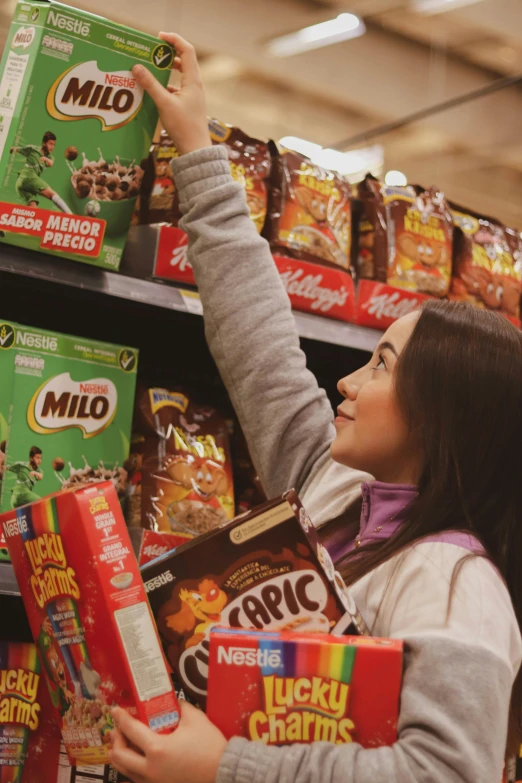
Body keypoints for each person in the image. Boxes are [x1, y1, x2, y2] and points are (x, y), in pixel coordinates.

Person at [109, 33, 522, 783]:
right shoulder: (330, 490)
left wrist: (222, 765)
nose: (347, 383)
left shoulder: (459, 585)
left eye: (381, 364)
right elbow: (259, 345)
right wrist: (197, 147)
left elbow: (446, 774)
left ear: (441, 415)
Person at [10, 131, 72, 214]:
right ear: (44, 143)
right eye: (50, 144)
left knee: (33, 211)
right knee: (52, 194)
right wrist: (11, 149)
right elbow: (15, 149)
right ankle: (70, 215)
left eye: (54, 144)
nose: (52, 147)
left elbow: (51, 163)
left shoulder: (50, 157)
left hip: (21, 186)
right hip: (28, 176)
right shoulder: (32, 149)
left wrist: (45, 159)